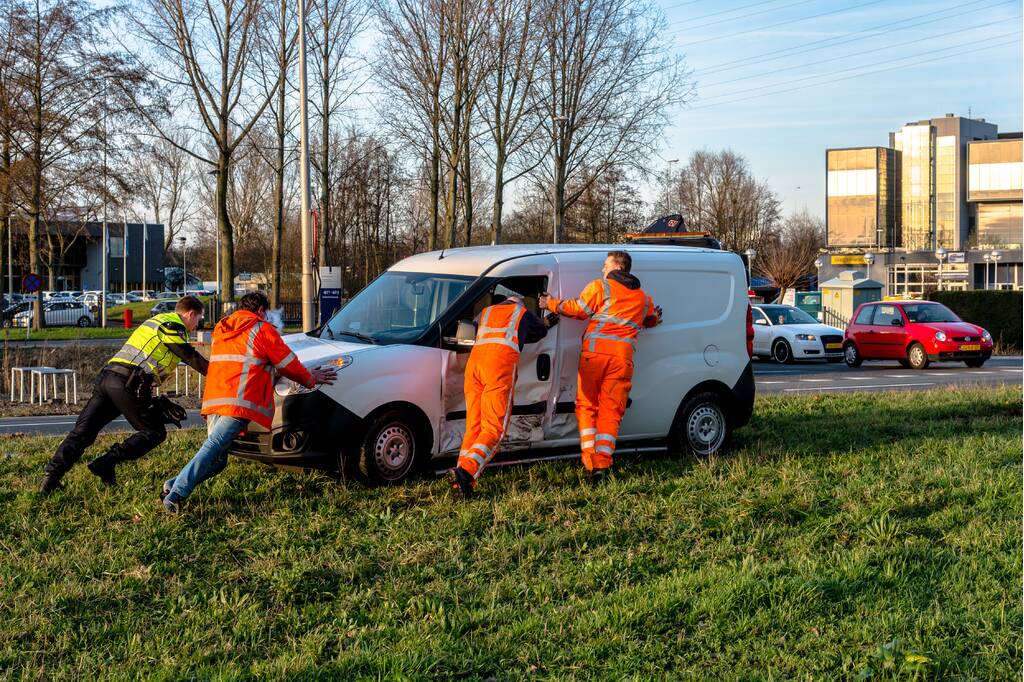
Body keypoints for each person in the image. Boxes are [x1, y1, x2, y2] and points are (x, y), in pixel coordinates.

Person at [161, 291, 337, 513]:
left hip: (215, 398)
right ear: (261, 311)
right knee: (213, 447)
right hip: (238, 401)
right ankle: (176, 494)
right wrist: (311, 378)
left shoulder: (222, 328)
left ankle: (171, 485)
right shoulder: (261, 329)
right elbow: (287, 363)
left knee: (218, 460)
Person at [40, 296, 209, 493]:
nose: (198, 324)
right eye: (198, 318)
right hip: (128, 383)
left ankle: (51, 478)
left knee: (83, 432)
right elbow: (191, 357)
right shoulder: (173, 325)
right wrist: (218, 373)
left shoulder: (156, 321)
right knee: (154, 432)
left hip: (107, 378)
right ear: (189, 314)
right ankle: (106, 463)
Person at [539, 251, 662, 483]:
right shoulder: (643, 298)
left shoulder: (601, 286)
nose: (602, 269)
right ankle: (602, 464)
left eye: (605, 265)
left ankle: (589, 460)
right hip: (622, 360)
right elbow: (652, 318)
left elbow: (579, 310)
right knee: (611, 411)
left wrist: (551, 303)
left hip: (594, 356)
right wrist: (652, 319)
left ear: (616, 266)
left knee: (586, 406)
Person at [448, 294, 552, 499]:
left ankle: (462, 482)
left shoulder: (486, 312)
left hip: (474, 368)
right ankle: (466, 472)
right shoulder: (522, 313)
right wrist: (549, 319)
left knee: (474, 427)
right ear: (520, 303)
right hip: (497, 369)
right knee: (494, 430)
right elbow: (539, 331)